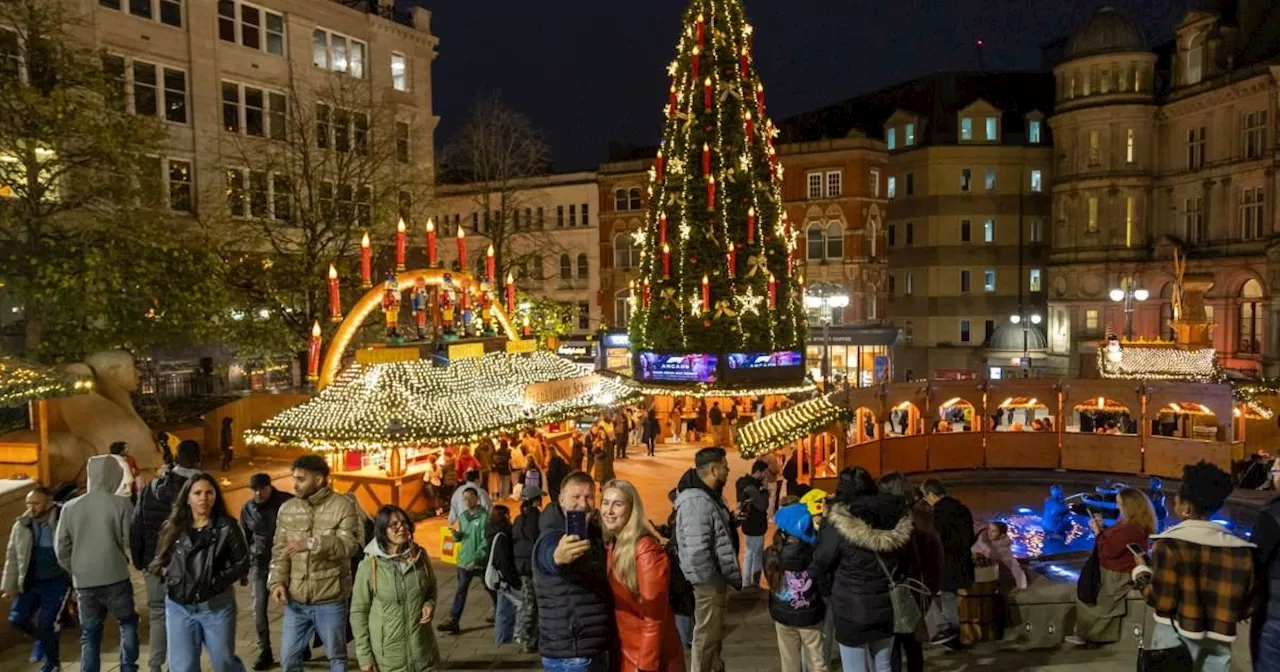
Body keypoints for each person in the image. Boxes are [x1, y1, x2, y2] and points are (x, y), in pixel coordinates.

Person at [1132, 461, 1254, 671]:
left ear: (1186, 507)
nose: (1174, 503)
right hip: (1219, 640)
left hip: (1173, 639)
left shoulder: (1169, 545)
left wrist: (1141, 573)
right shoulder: (1242, 549)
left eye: (1177, 499)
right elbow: (1246, 606)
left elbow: (1162, 601)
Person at [811, 467, 914, 672]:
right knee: (884, 664)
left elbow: (820, 563)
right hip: (887, 606)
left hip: (850, 608)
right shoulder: (895, 516)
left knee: (855, 667)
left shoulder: (839, 523)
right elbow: (907, 562)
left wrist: (827, 593)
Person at [269, 453, 365, 672]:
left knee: (337, 658)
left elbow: (350, 546)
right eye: (294, 478)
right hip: (296, 601)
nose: (295, 485)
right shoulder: (288, 509)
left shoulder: (343, 506)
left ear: (319, 480)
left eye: (301, 479)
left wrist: (313, 543)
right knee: (289, 660)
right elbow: (279, 552)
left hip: (330, 599)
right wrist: (276, 583)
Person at [149, 473, 250, 672]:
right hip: (179, 606)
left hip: (215, 607)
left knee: (223, 663)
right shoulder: (174, 527)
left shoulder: (226, 526)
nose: (203, 498)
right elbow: (161, 558)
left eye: (209, 492)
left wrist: (213, 582)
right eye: (197, 493)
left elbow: (242, 562)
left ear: (215, 496)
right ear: (187, 497)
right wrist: (170, 575)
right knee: (182, 666)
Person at [55, 455, 138, 672]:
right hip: (116, 576)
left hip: (84, 581)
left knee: (89, 633)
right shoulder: (121, 504)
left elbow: (61, 547)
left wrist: (75, 568)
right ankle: (128, 667)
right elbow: (130, 540)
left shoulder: (70, 507)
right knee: (127, 623)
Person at [130, 439, 202, 672]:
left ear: (176, 459)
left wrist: (141, 560)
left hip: (153, 561)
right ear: (198, 459)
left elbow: (136, 524)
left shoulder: (152, 487)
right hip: (186, 565)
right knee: (187, 616)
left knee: (158, 614)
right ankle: (178, 665)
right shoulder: (201, 490)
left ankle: (154, 665)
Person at [600, 479, 685, 672]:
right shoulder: (615, 544)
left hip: (649, 659)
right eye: (605, 502)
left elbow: (654, 617)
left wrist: (646, 666)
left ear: (632, 510)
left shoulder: (645, 549)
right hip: (627, 652)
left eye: (618, 504)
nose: (609, 511)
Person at [533, 471, 613, 671]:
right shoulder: (552, 533)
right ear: (561, 499)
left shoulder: (594, 531)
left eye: (589, 497)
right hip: (573, 653)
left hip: (590, 647)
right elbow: (549, 556)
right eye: (575, 497)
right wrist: (558, 557)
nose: (583, 504)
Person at [350, 505, 441, 672]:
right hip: (389, 658)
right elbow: (358, 612)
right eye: (394, 525)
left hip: (423, 651)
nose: (402, 528)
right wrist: (364, 656)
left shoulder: (420, 556)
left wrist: (429, 603)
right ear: (383, 531)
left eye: (404, 522)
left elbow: (431, 586)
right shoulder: (370, 566)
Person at [675, 447, 742, 672]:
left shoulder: (708, 495)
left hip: (713, 579)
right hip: (708, 583)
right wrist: (710, 581)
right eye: (725, 466)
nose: (728, 470)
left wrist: (731, 520)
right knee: (705, 636)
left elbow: (709, 531)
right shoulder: (696, 500)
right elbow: (697, 550)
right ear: (713, 469)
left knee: (713, 635)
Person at [1065, 488, 1155, 647]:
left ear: (1129, 506)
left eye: (1120, 503)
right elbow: (1116, 542)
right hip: (1116, 570)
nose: (1117, 506)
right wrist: (1102, 529)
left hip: (1116, 574)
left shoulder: (1129, 528)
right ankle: (1090, 635)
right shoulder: (1136, 523)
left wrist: (1097, 532)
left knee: (1096, 603)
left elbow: (1110, 550)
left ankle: (1091, 636)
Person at [878, 472, 940, 672]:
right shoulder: (922, 517)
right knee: (913, 644)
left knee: (893, 644)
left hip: (894, 587)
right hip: (917, 587)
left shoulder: (886, 521)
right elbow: (935, 556)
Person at [2, 486, 69, 672]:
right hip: (31, 581)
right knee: (17, 619)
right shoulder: (21, 525)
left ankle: (52, 664)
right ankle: (40, 639)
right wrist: (8, 587)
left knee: (47, 623)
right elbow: (12, 556)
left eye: (36, 503)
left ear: (49, 502)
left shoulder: (64, 518)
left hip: (57, 581)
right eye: (28, 503)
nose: (31, 507)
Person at [240, 473, 294, 670]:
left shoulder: (286, 502)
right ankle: (265, 651)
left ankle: (299, 644)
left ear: (269, 487)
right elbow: (245, 538)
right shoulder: (248, 508)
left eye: (261, 489)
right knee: (258, 608)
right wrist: (244, 568)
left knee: (294, 605)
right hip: (259, 563)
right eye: (254, 490)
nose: (257, 494)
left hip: (286, 560)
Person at [765, 503, 827, 672]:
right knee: (817, 662)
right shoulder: (815, 553)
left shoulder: (771, 554)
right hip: (810, 616)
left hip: (783, 615)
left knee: (789, 662)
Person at [920, 478, 973, 650]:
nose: (925, 500)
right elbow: (970, 538)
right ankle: (952, 635)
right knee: (950, 599)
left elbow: (935, 542)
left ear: (931, 495)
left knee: (940, 598)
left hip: (945, 564)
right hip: (962, 563)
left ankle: (950, 635)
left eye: (925, 497)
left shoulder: (937, 514)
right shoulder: (963, 509)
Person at [436, 487, 489, 635]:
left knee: (491, 588)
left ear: (477, 498)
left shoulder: (484, 517)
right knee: (460, 591)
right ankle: (453, 620)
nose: (466, 501)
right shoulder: (463, 516)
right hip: (464, 560)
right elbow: (464, 536)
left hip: (479, 562)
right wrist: (456, 535)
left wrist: (477, 558)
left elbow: (485, 541)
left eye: (469, 498)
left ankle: (503, 613)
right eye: (464, 498)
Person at [512, 485, 543, 653]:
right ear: (536, 500)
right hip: (533, 568)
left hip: (521, 567)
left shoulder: (519, 519)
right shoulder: (538, 518)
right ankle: (528, 639)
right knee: (532, 605)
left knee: (528, 602)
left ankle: (528, 637)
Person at [487, 503, 521, 645]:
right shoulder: (502, 535)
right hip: (503, 580)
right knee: (521, 602)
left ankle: (501, 640)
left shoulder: (492, 531)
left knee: (502, 610)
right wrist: (514, 582)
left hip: (499, 580)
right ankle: (518, 634)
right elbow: (504, 563)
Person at [735, 460, 771, 589]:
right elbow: (763, 506)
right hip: (756, 525)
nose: (768, 476)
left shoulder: (742, 482)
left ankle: (747, 582)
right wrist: (765, 490)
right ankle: (752, 583)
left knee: (750, 553)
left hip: (747, 524)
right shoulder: (752, 488)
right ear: (758, 472)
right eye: (765, 473)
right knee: (755, 554)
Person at [971, 522, 1027, 592]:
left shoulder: (1004, 545)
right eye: (989, 529)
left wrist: (1021, 586)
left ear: (1002, 535)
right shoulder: (982, 539)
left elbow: (1014, 565)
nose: (989, 532)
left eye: (994, 531)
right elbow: (984, 550)